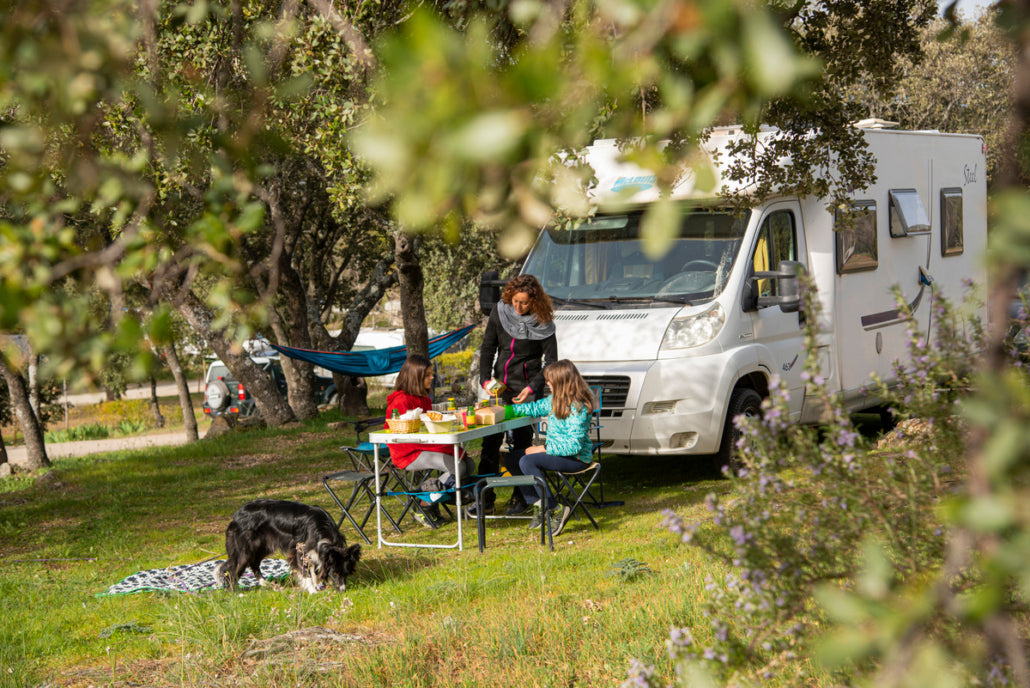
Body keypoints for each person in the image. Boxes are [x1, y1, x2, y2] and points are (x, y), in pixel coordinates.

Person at [473, 274, 558, 516]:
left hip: (527, 390)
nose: (519, 307)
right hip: (499, 390)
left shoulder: (545, 325)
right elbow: (488, 347)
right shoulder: (500, 313)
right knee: (489, 443)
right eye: (515, 302)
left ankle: (520, 498)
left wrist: (532, 387)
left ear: (535, 301)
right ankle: (484, 499)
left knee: (520, 445)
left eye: (525, 303)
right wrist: (485, 379)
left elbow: (551, 363)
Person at [385, 355, 474, 527]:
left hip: (424, 445)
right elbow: (406, 439)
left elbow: (429, 428)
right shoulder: (401, 401)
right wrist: (444, 447)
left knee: (468, 464)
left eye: (431, 374)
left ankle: (434, 494)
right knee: (458, 466)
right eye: (427, 375)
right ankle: (424, 503)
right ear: (415, 377)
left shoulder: (424, 399)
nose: (432, 378)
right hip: (408, 453)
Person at [509, 359, 594, 537]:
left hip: (576, 458)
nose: (547, 384)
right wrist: (506, 410)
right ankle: (540, 505)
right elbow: (533, 408)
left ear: (561, 383)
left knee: (527, 461)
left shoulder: (578, 407)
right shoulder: (553, 400)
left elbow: (573, 446)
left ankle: (556, 508)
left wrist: (543, 448)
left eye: (549, 381)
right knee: (512, 459)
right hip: (557, 452)